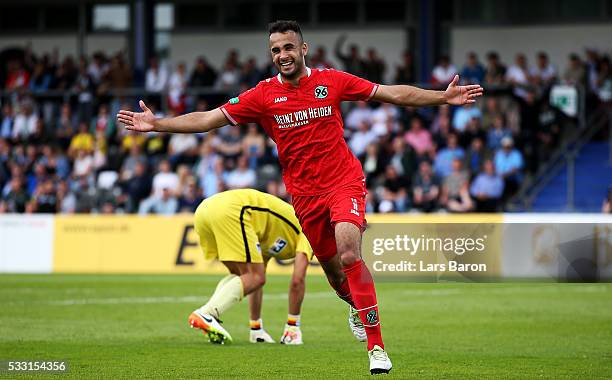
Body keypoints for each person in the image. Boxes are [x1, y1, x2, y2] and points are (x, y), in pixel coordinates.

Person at [117, 20, 483, 374]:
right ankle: (355, 306)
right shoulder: (262, 95)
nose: (282, 55)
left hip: (344, 182)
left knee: (350, 249)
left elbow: (392, 93)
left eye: (288, 47)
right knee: (336, 275)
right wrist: (158, 124)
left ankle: (377, 349)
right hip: (305, 198)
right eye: (275, 50)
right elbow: (210, 118)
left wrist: (442, 98)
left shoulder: (331, 81)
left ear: (303, 49)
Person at [186, 189, 313, 345]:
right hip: (233, 210)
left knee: (245, 276)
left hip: (205, 210)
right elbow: (297, 280)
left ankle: (252, 329)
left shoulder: (276, 229)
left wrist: (256, 328)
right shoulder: (310, 229)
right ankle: (207, 313)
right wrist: (292, 327)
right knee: (255, 277)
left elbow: (256, 281)